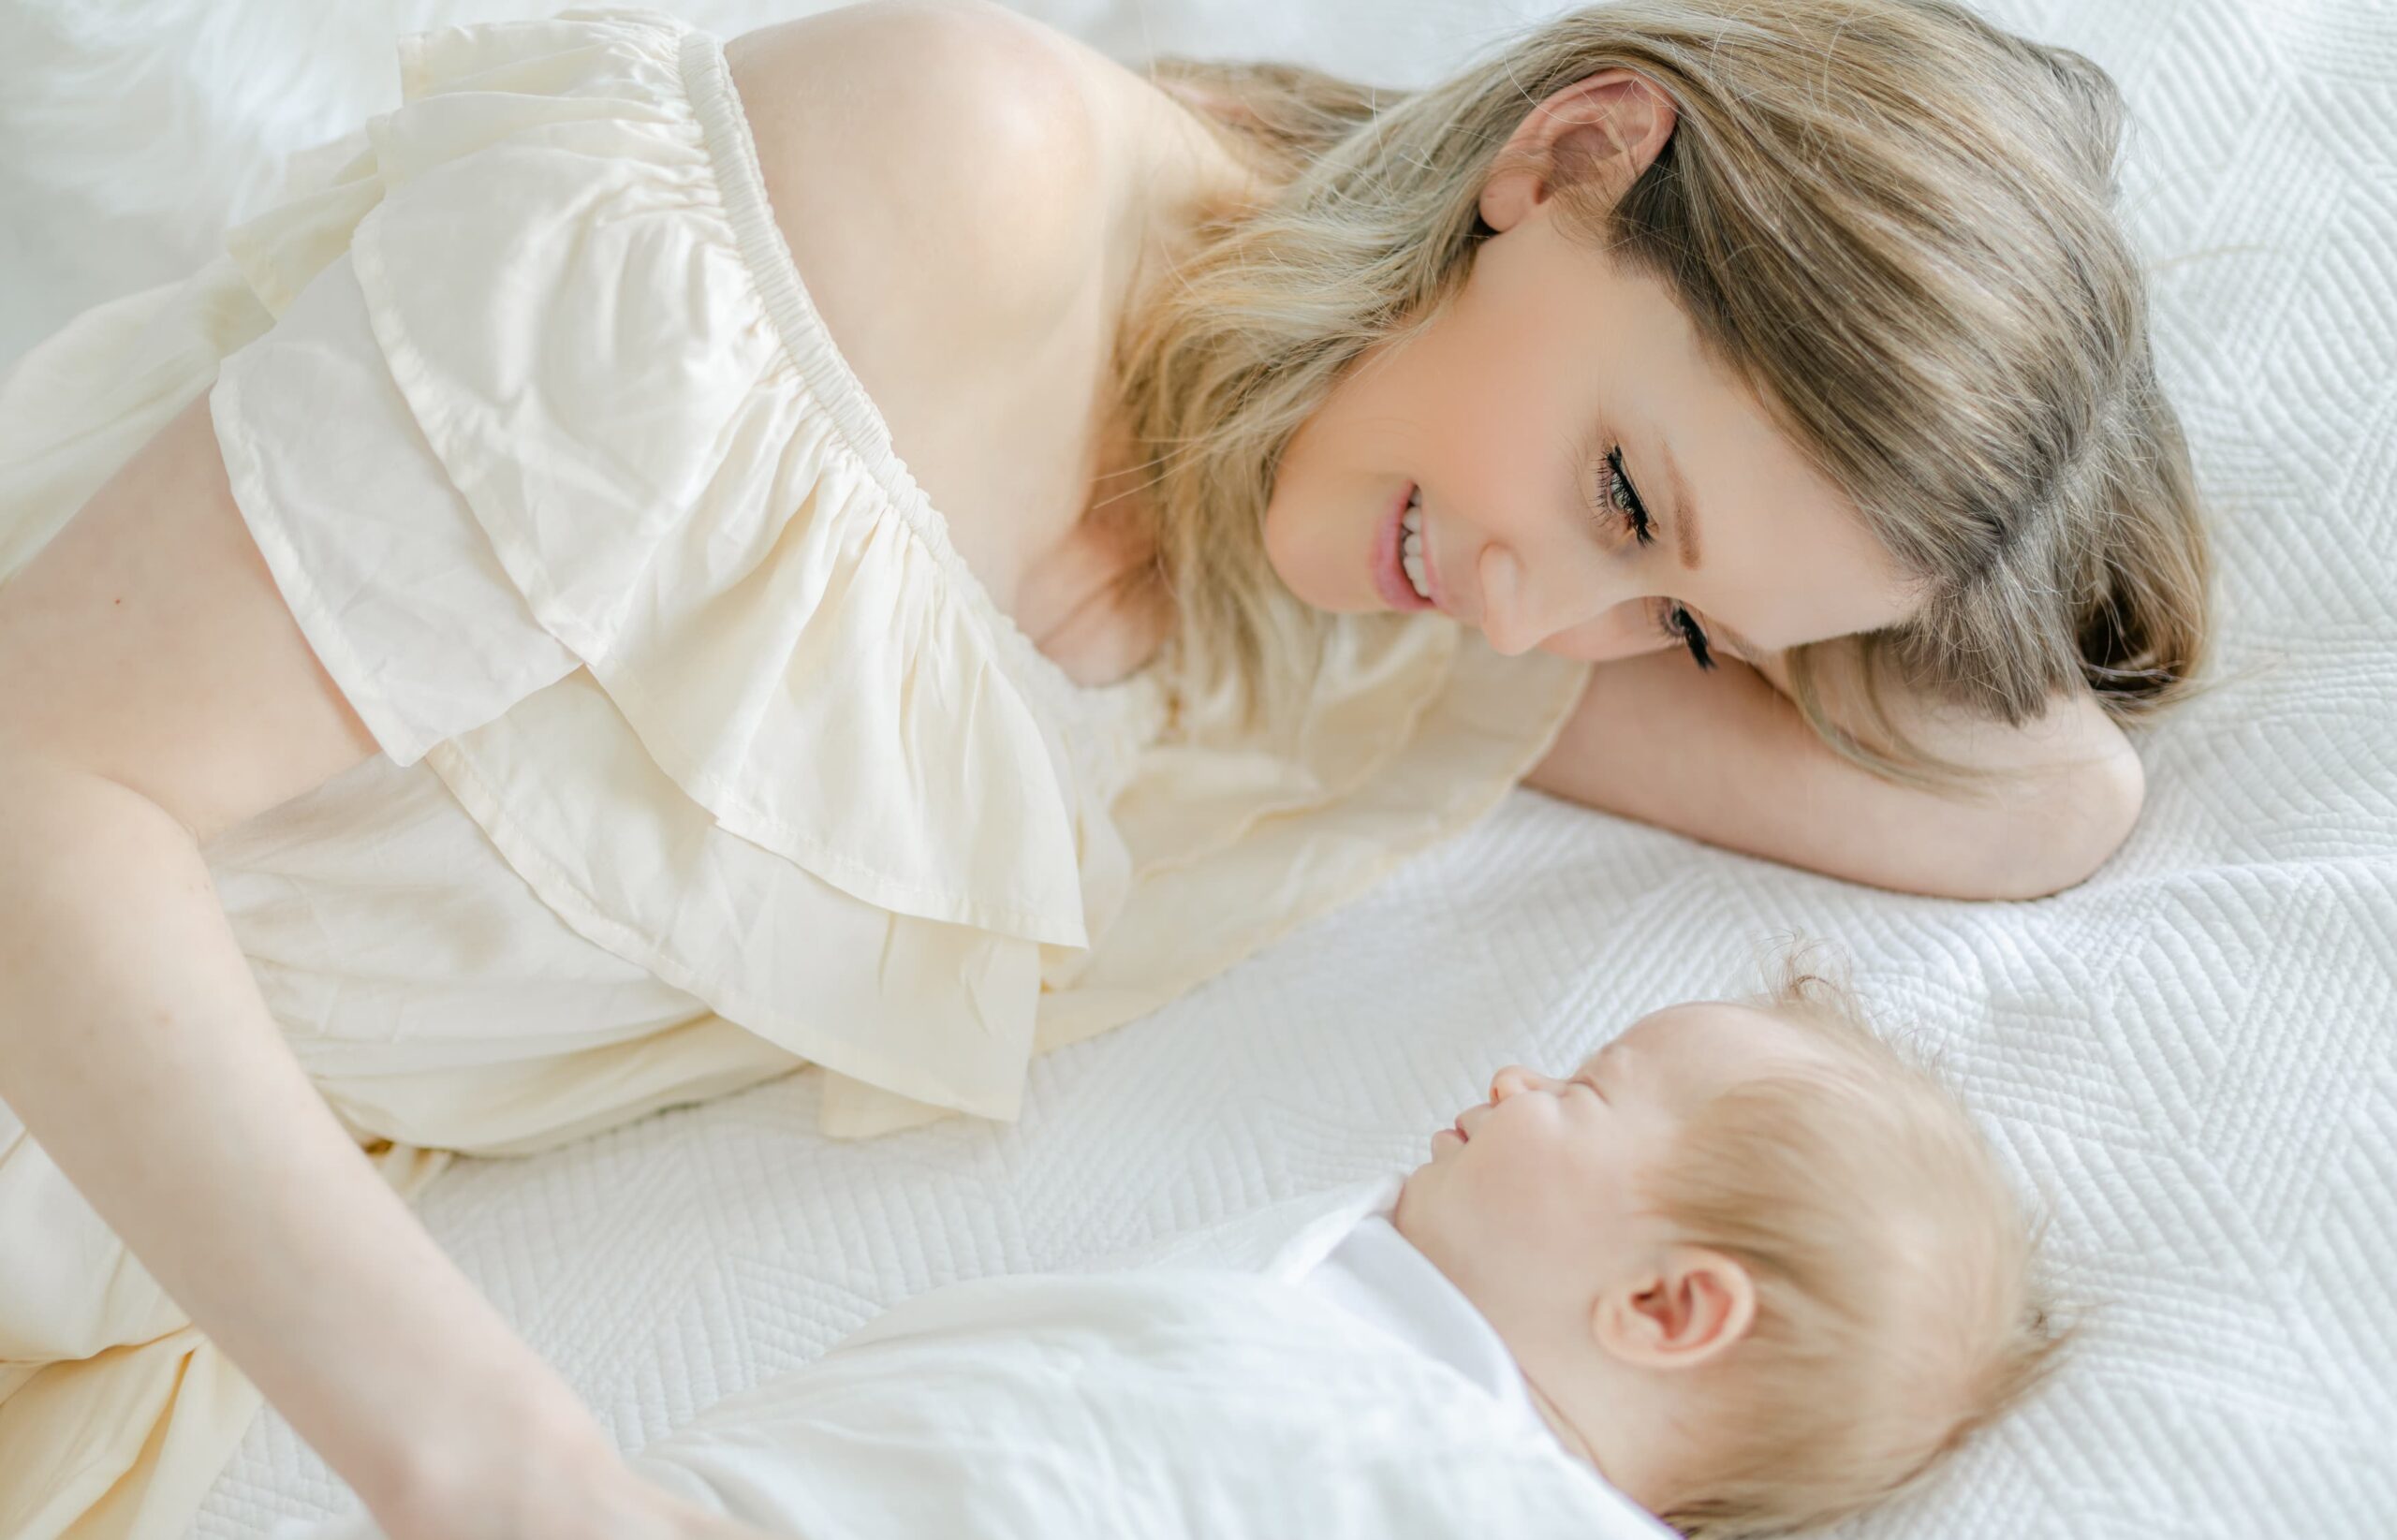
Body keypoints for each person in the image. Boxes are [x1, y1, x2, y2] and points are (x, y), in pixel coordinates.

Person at [0, 2, 2198, 1537]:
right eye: (1623, 496)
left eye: (1681, 629)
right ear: (1564, 153)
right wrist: (501, 1474)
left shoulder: (1383, 609)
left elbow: (2030, 804)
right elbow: (37, 774)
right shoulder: (951, 180)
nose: (1554, 623)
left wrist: (1963, 500)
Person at [303, 969, 2066, 1540]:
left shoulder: (1487, 1488)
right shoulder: (1351, 1285)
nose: (1522, 1076)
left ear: (1669, 1306)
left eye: (1592, 1093)